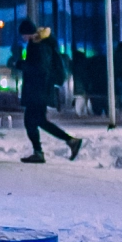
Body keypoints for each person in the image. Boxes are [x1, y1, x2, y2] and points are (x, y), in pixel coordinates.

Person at [16, 21, 82, 162]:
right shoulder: (39, 43)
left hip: (39, 91)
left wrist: (23, 65)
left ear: (28, 33)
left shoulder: (39, 45)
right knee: (37, 121)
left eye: (23, 35)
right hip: (39, 90)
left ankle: (45, 150)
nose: (23, 38)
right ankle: (67, 142)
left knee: (32, 121)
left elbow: (41, 68)